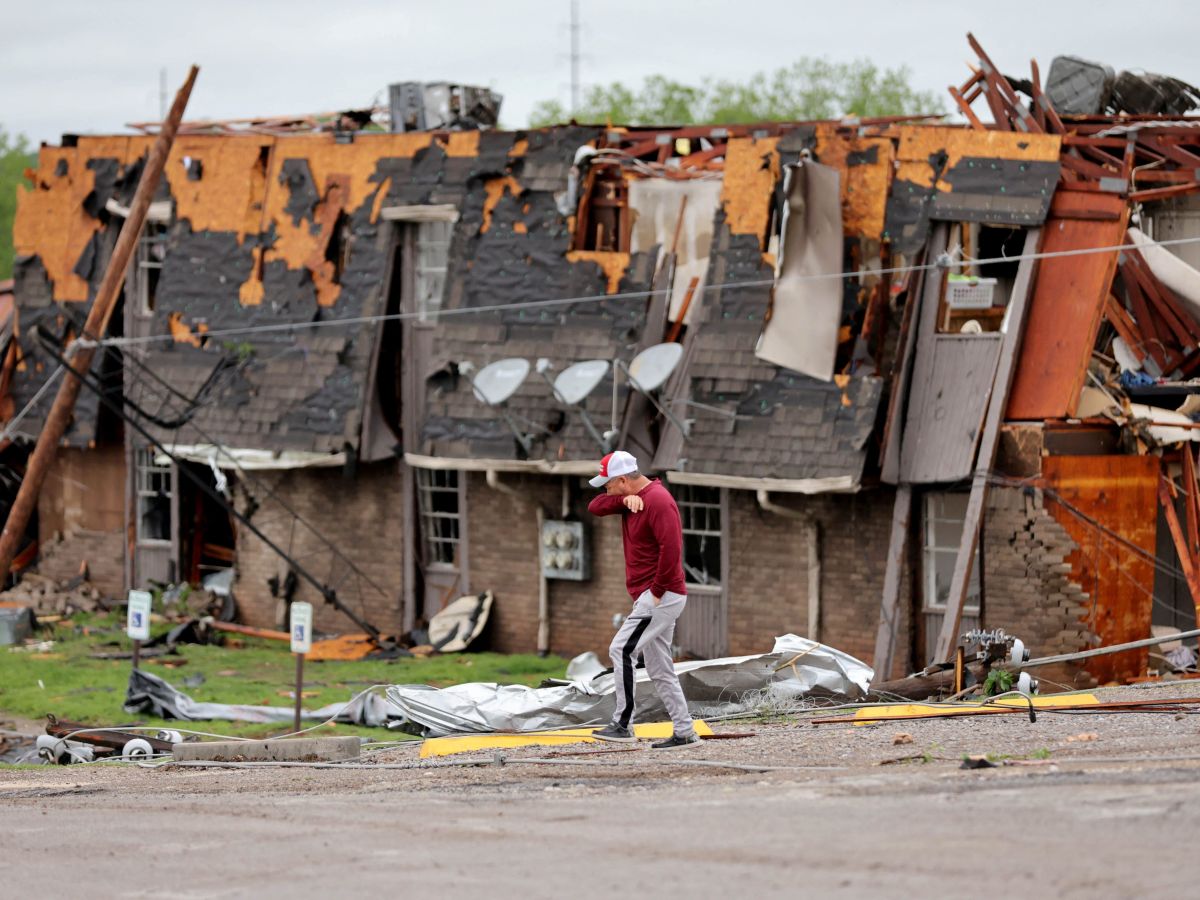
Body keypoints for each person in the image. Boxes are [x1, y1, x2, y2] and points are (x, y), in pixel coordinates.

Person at [586, 450, 699, 749]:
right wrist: (622, 500)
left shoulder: (658, 501)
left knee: (621, 649)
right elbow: (595, 506)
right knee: (660, 668)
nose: (605, 489)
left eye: (608, 484)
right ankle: (685, 731)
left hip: (660, 595)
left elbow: (672, 549)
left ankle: (623, 724)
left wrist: (657, 592)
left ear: (622, 479)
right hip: (656, 596)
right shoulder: (631, 500)